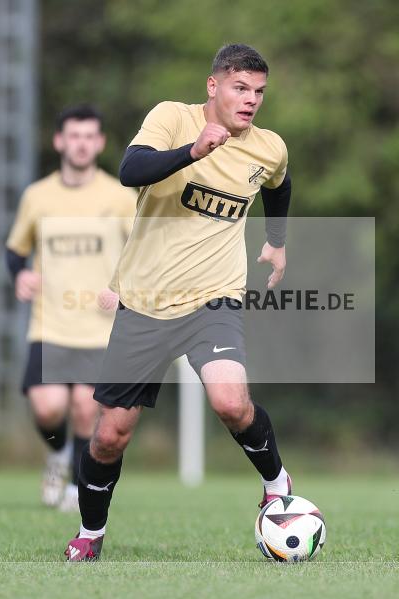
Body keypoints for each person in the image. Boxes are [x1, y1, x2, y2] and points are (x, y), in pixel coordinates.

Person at [65, 44, 293, 561]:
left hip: (214, 299)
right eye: (240, 88)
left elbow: (280, 186)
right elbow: (130, 169)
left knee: (230, 401)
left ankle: (277, 483)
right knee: (110, 437)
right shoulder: (172, 117)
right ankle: (90, 533)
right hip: (144, 302)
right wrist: (192, 152)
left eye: (259, 92)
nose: (251, 100)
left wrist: (276, 241)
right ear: (213, 86)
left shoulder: (269, 147)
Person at [6, 105, 136, 512]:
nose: (81, 144)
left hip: (98, 328)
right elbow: (16, 250)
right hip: (50, 324)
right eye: (73, 136)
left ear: (99, 143)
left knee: (85, 406)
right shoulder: (38, 196)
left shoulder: (118, 196)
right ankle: (58, 455)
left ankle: (77, 489)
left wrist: (123, 290)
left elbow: (142, 252)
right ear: (60, 141)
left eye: (89, 136)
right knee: (48, 408)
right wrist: (20, 276)